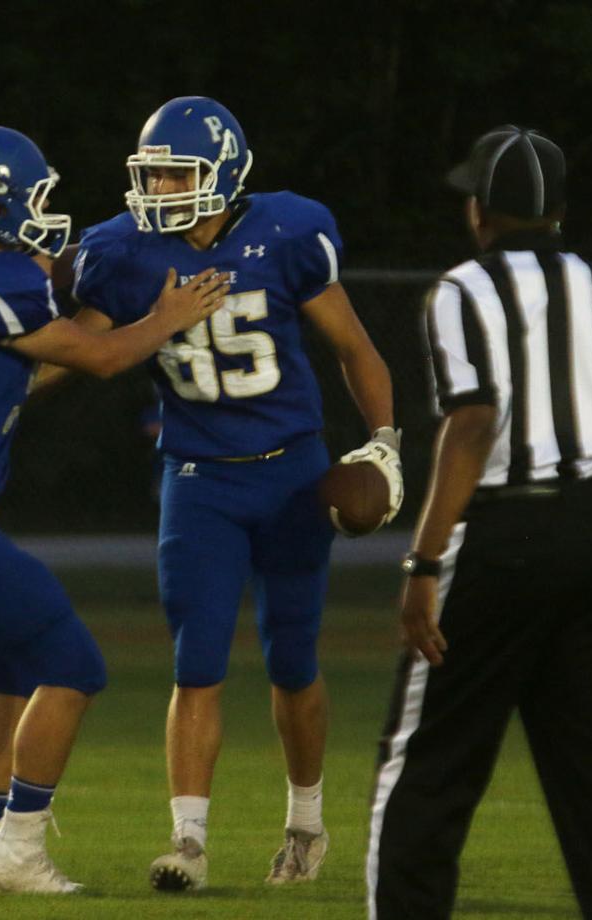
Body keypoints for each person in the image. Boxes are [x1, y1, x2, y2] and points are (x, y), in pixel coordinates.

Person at [0, 125, 228, 894]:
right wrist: (168, 317)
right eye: (31, 197)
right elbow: (100, 356)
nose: (42, 210)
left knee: (9, 675)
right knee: (73, 667)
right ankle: (18, 850)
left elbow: (23, 294)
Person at [67, 96, 402, 891]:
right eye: (152, 175)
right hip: (198, 479)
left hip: (292, 472)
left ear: (222, 173)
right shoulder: (122, 250)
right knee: (197, 663)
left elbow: (353, 345)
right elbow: (76, 350)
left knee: (293, 659)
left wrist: (385, 439)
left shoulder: (286, 232)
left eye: (177, 174)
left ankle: (306, 825)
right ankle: (187, 841)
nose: (160, 189)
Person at [366, 125, 592, 920]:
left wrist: (422, 562)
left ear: (480, 211)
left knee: (430, 770)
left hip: (505, 537)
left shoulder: (463, 290)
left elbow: (473, 423)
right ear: (558, 213)